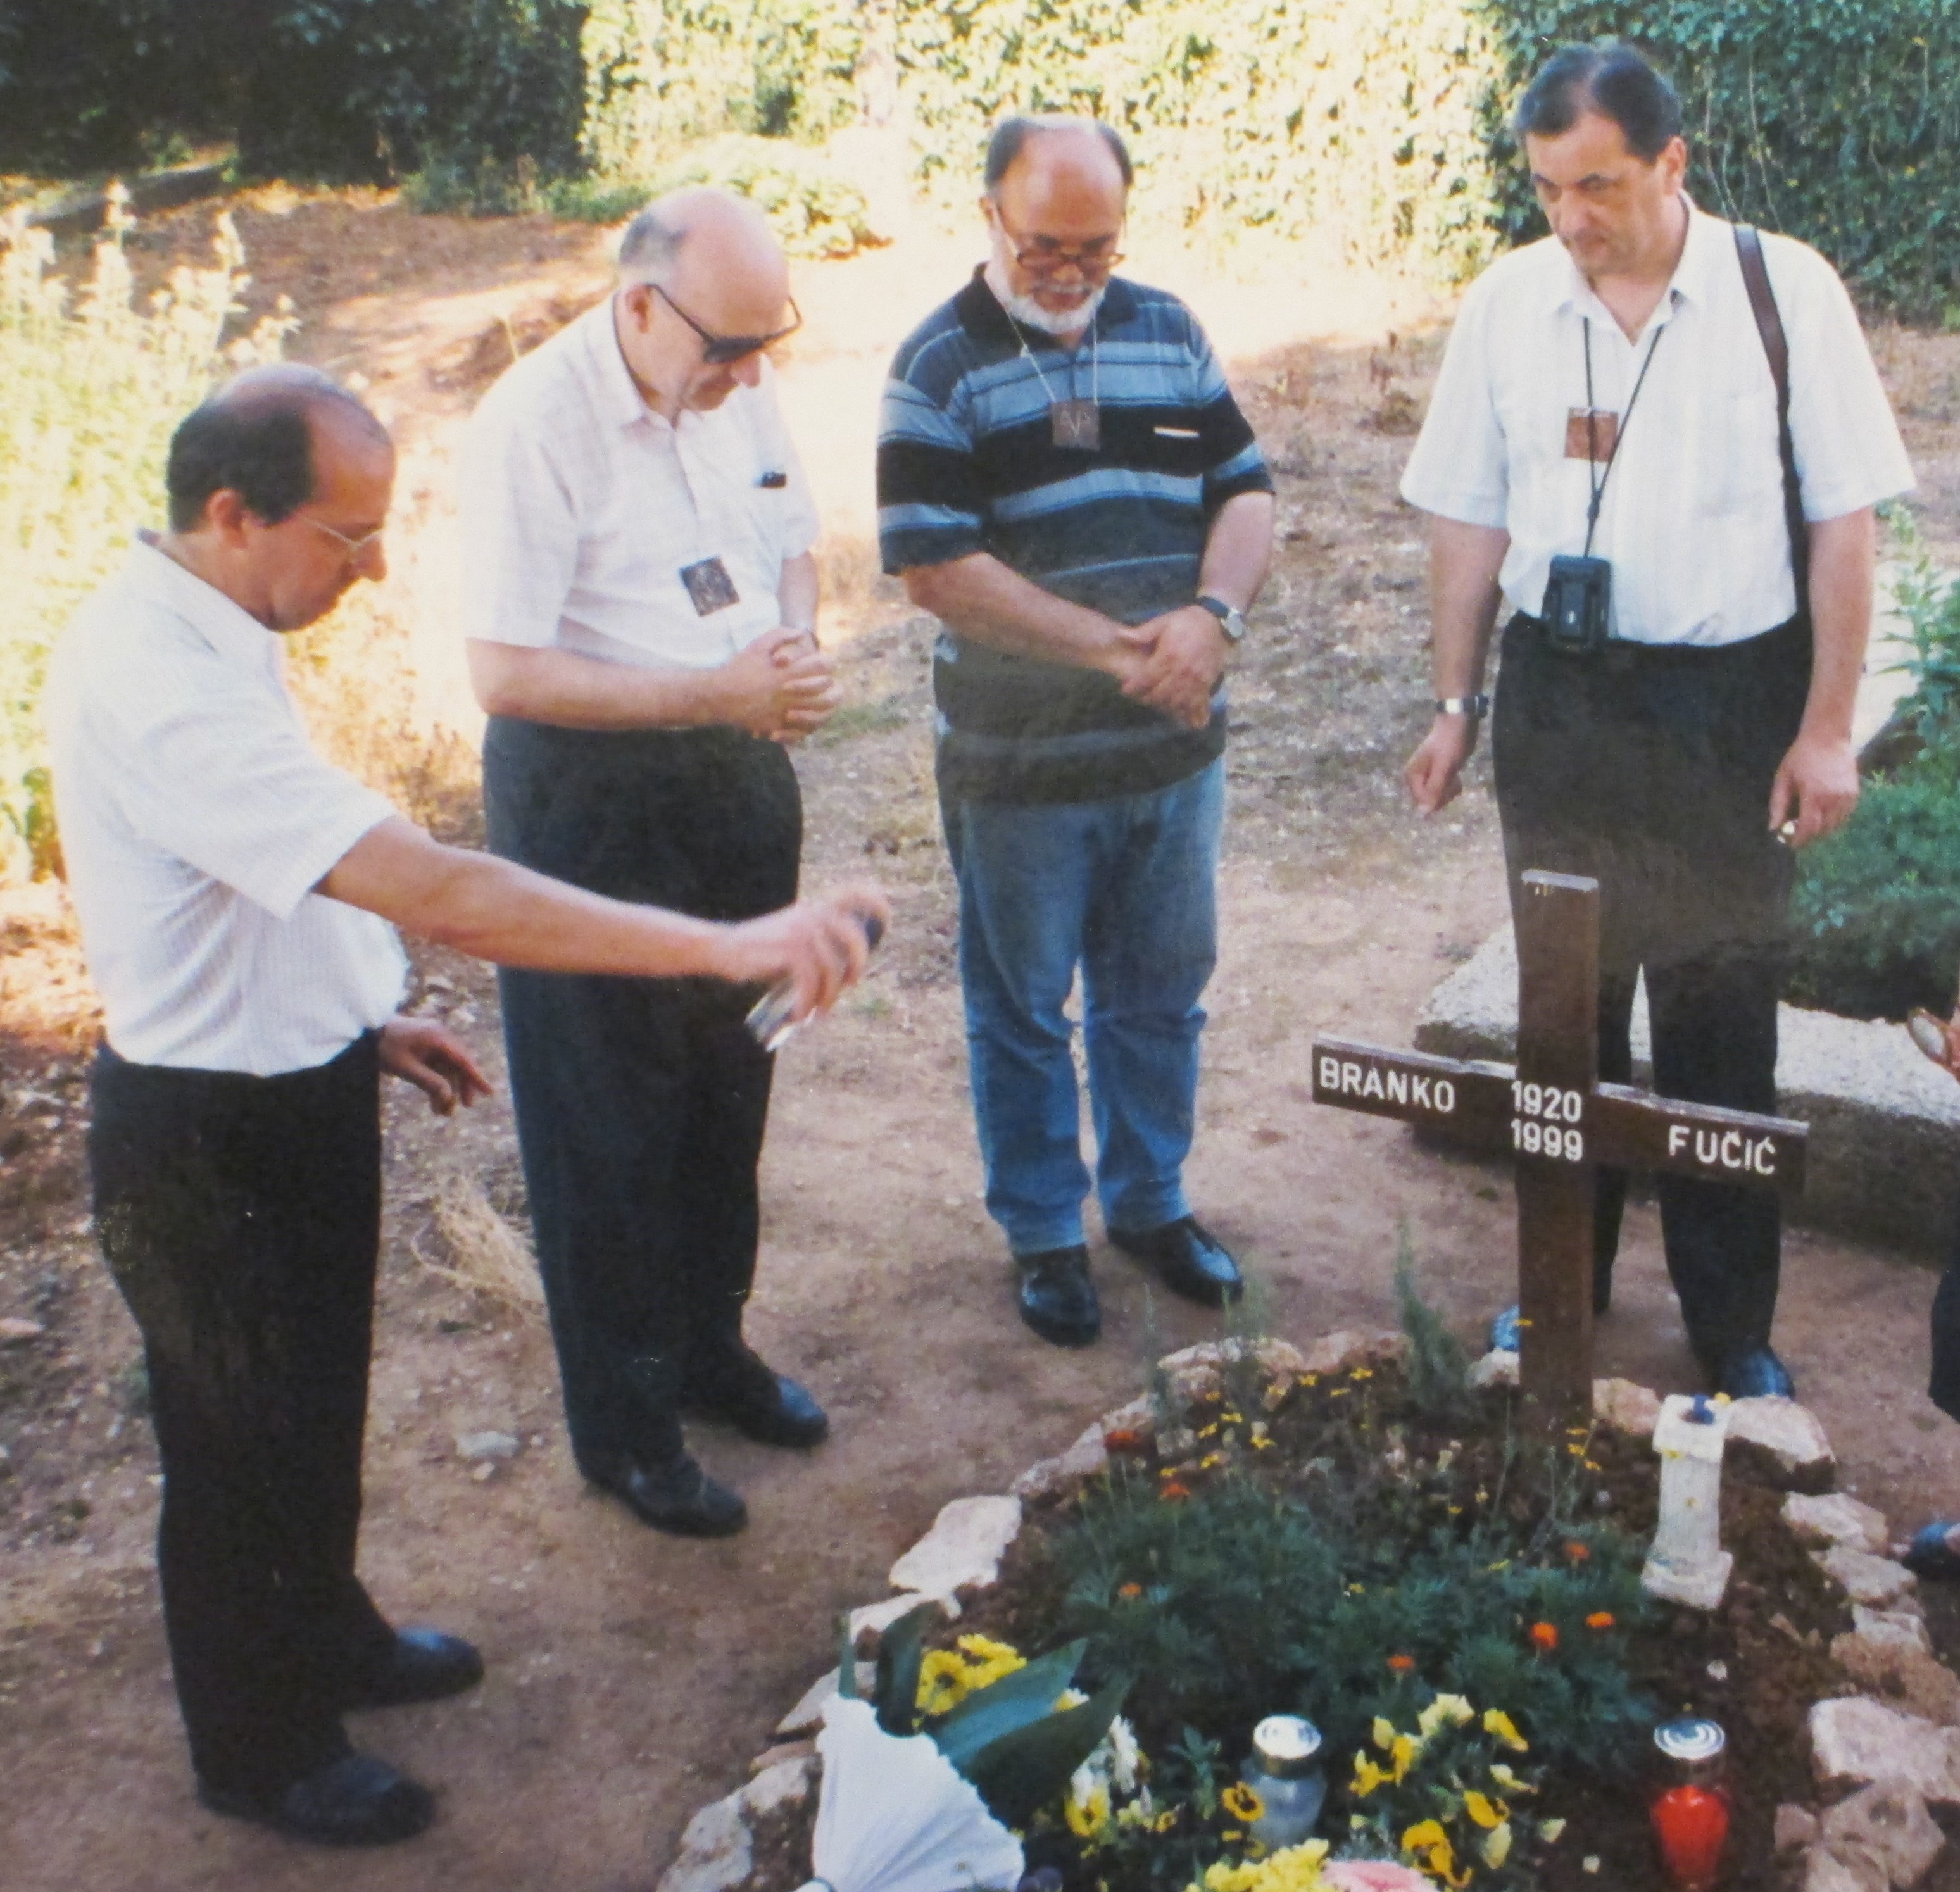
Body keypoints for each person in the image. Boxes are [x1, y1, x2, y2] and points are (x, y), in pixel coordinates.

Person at [46, 364, 883, 1847]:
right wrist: (726, 943)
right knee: (235, 1444)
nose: (373, 573)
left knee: (314, 1402)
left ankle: (330, 1632)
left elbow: (242, 879)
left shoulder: (218, 614)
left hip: (290, 1077)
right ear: (233, 514)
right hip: (198, 1125)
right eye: (347, 539)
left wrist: (359, 1015)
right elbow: (448, 891)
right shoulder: (158, 681)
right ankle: (261, 1746)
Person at [1398, 44, 1913, 1398]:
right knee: (1564, 1013)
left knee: (1719, 1015)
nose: (1573, 217)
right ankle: (1559, 1288)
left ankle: (1731, 1323)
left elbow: (1843, 526)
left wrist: (1825, 728)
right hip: (1562, 700)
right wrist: (1457, 702)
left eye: (1602, 186)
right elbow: (1469, 512)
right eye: (1550, 187)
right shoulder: (1508, 303)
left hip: (1723, 706)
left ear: (1673, 166)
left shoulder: (1781, 289)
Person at [458, 189, 845, 1539]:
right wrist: (712, 696)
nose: (749, 374)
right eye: (727, 349)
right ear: (638, 307)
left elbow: (793, 545)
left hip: (738, 774)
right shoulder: (534, 422)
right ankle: (625, 1430)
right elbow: (503, 672)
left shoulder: (739, 378)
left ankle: (705, 1352)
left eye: (764, 344)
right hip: (594, 800)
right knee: (607, 1124)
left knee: (731, 1083)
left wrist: (791, 650)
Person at [877, 115, 1276, 1348]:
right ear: (990, 216)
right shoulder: (935, 367)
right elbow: (935, 566)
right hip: (1019, 770)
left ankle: (1151, 1204)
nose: (1071, 271)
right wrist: (1120, 652)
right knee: (1023, 1007)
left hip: (1172, 756)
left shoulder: (1167, 329)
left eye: (1096, 248)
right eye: (1046, 245)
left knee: (1162, 993)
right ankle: (1047, 1233)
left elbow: (1247, 489)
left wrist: (1212, 616)